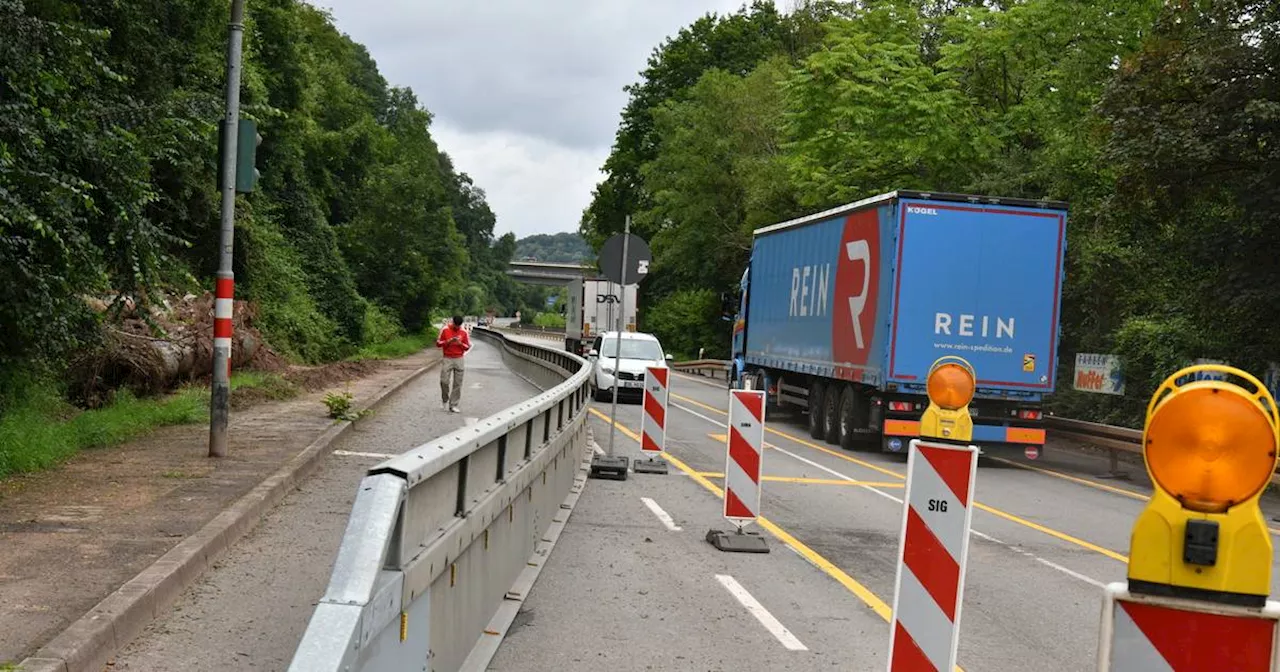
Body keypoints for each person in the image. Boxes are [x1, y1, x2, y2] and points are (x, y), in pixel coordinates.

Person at [436, 315, 472, 412]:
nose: (457, 328)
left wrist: (460, 343)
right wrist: (448, 341)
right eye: (455, 325)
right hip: (447, 358)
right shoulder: (445, 329)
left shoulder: (464, 331)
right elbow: (438, 343)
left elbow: (468, 346)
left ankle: (453, 404)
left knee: (458, 383)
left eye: (458, 326)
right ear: (453, 322)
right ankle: (445, 400)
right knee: (444, 381)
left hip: (459, 358)